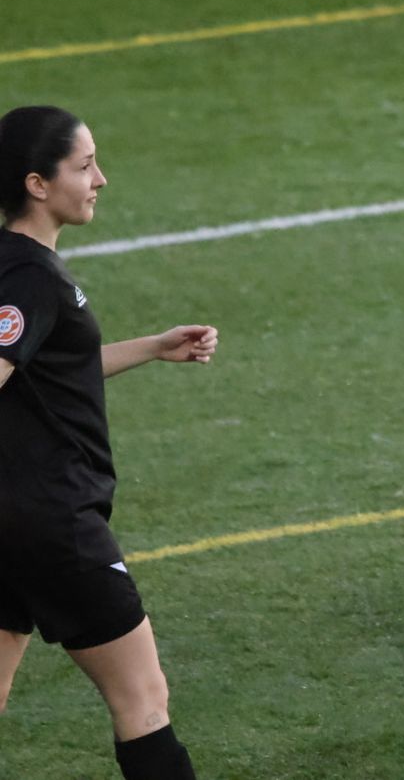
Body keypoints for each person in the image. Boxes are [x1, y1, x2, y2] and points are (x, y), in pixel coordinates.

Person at [0, 105, 219, 780]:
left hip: (7, 517)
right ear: (39, 183)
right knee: (143, 699)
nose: (101, 178)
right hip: (56, 522)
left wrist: (153, 348)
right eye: (85, 164)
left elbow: (44, 369)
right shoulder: (33, 277)